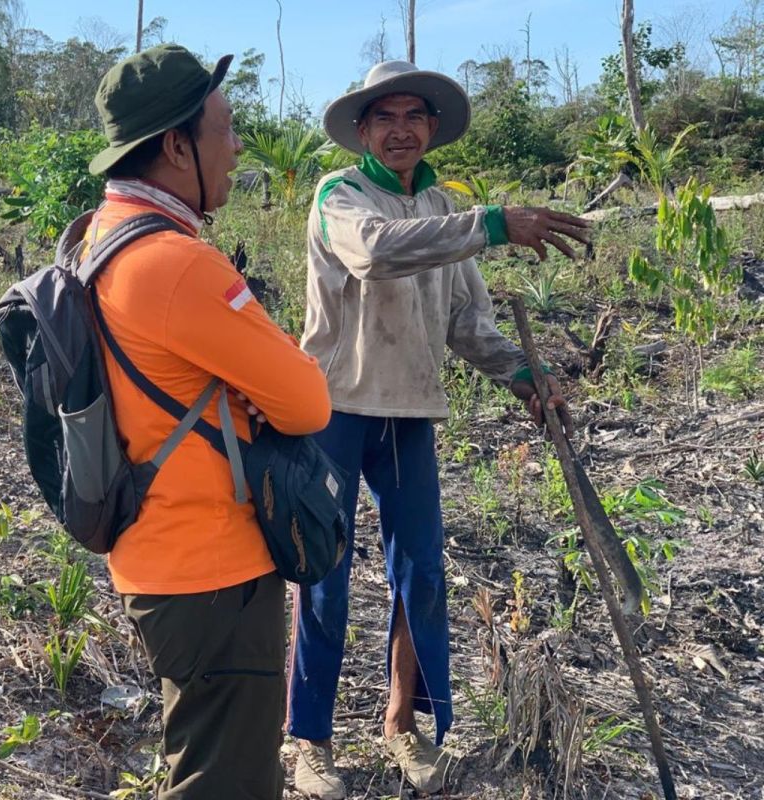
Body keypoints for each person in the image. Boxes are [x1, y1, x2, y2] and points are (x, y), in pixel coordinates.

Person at [288, 61, 588, 798]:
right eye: (384, 117)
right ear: (362, 130)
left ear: (431, 129)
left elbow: (466, 323)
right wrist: (492, 225)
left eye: (413, 117)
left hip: (410, 410)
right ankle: (310, 740)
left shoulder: (441, 203)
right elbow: (375, 253)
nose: (400, 129)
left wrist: (525, 376)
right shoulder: (341, 196)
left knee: (419, 572)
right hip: (333, 407)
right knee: (324, 577)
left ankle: (402, 724)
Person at [83, 45, 331, 797]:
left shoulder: (101, 238)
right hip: (213, 571)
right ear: (174, 145)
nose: (236, 148)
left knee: (202, 757)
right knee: (225, 782)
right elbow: (307, 400)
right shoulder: (177, 265)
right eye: (225, 129)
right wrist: (260, 379)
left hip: (157, 556)